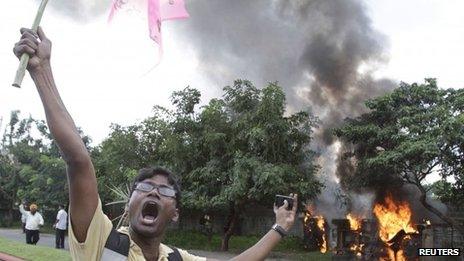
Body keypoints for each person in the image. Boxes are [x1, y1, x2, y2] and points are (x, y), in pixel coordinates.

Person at [13, 27, 299, 261]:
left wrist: (280, 227)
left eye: (164, 191)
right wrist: (42, 71)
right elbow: (78, 161)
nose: (153, 193)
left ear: (175, 214)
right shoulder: (101, 242)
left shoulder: (176, 258)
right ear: (130, 202)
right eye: (145, 188)